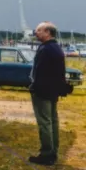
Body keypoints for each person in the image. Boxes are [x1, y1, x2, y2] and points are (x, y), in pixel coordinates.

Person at [28, 21, 68, 166]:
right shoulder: (56, 48)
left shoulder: (46, 49)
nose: (36, 32)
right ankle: (53, 152)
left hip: (42, 92)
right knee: (52, 121)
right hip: (52, 91)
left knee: (45, 122)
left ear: (47, 32)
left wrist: (35, 87)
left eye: (39, 30)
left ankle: (47, 154)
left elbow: (41, 72)